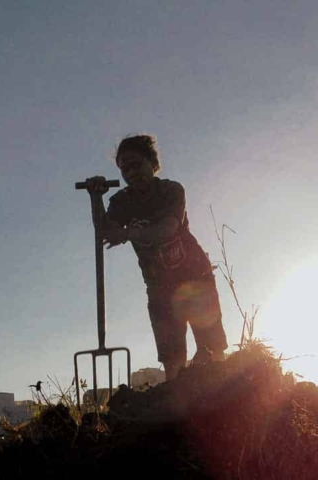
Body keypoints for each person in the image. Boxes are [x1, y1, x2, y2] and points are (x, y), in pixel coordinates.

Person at [85, 134, 228, 381]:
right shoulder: (122, 201)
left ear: (152, 163)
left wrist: (128, 233)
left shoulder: (171, 190)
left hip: (195, 278)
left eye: (136, 164)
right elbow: (105, 232)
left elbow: (167, 229)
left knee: (211, 349)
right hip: (159, 286)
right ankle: (178, 407)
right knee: (172, 359)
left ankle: (229, 401)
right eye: (125, 168)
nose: (131, 172)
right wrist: (95, 197)